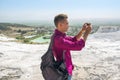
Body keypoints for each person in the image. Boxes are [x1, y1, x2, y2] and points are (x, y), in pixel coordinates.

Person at [52, 14, 92, 80]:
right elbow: (78, 46)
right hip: (64, 72)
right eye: (67, 23)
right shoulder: (58, 39)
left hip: (66, 69)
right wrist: (86, 33)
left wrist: (82, 30)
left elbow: (74, 39)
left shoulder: (60, 36)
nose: (68, 25)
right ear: (60, 25)